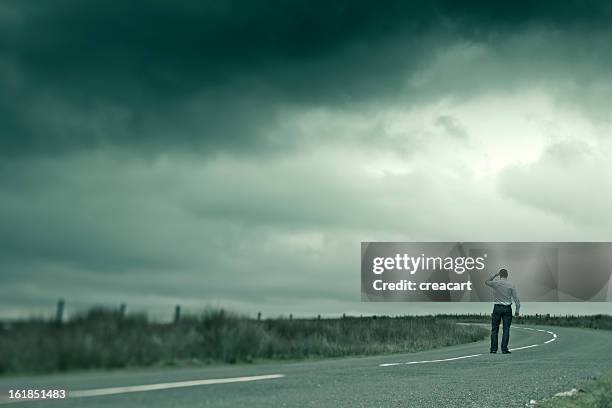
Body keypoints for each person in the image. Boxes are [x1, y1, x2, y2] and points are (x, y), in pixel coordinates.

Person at [485, 268, 520, 354]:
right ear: (507, 275)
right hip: (507, 308)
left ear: (500, 275)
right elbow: (516, 299)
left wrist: (495, 275)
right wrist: (517, 311)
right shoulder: (511, 285)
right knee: (506, 329)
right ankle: (504, 349)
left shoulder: (495, 283)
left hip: (497, 307)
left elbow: (486, 281)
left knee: (494, 329)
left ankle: (493, 349)